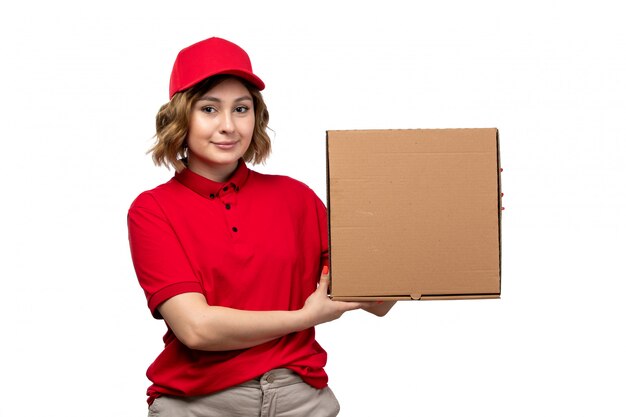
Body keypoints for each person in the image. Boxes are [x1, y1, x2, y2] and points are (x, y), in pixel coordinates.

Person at [127, 36, 395, 417]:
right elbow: (197, 329)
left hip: (301, 401)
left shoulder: (296, 198)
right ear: (179, 117)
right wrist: (306, 317)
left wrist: (442, 223)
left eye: (241, 108)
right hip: (200, 406)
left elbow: (379, 301)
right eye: (209, 109)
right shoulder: (153, 210)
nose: (228, 126)